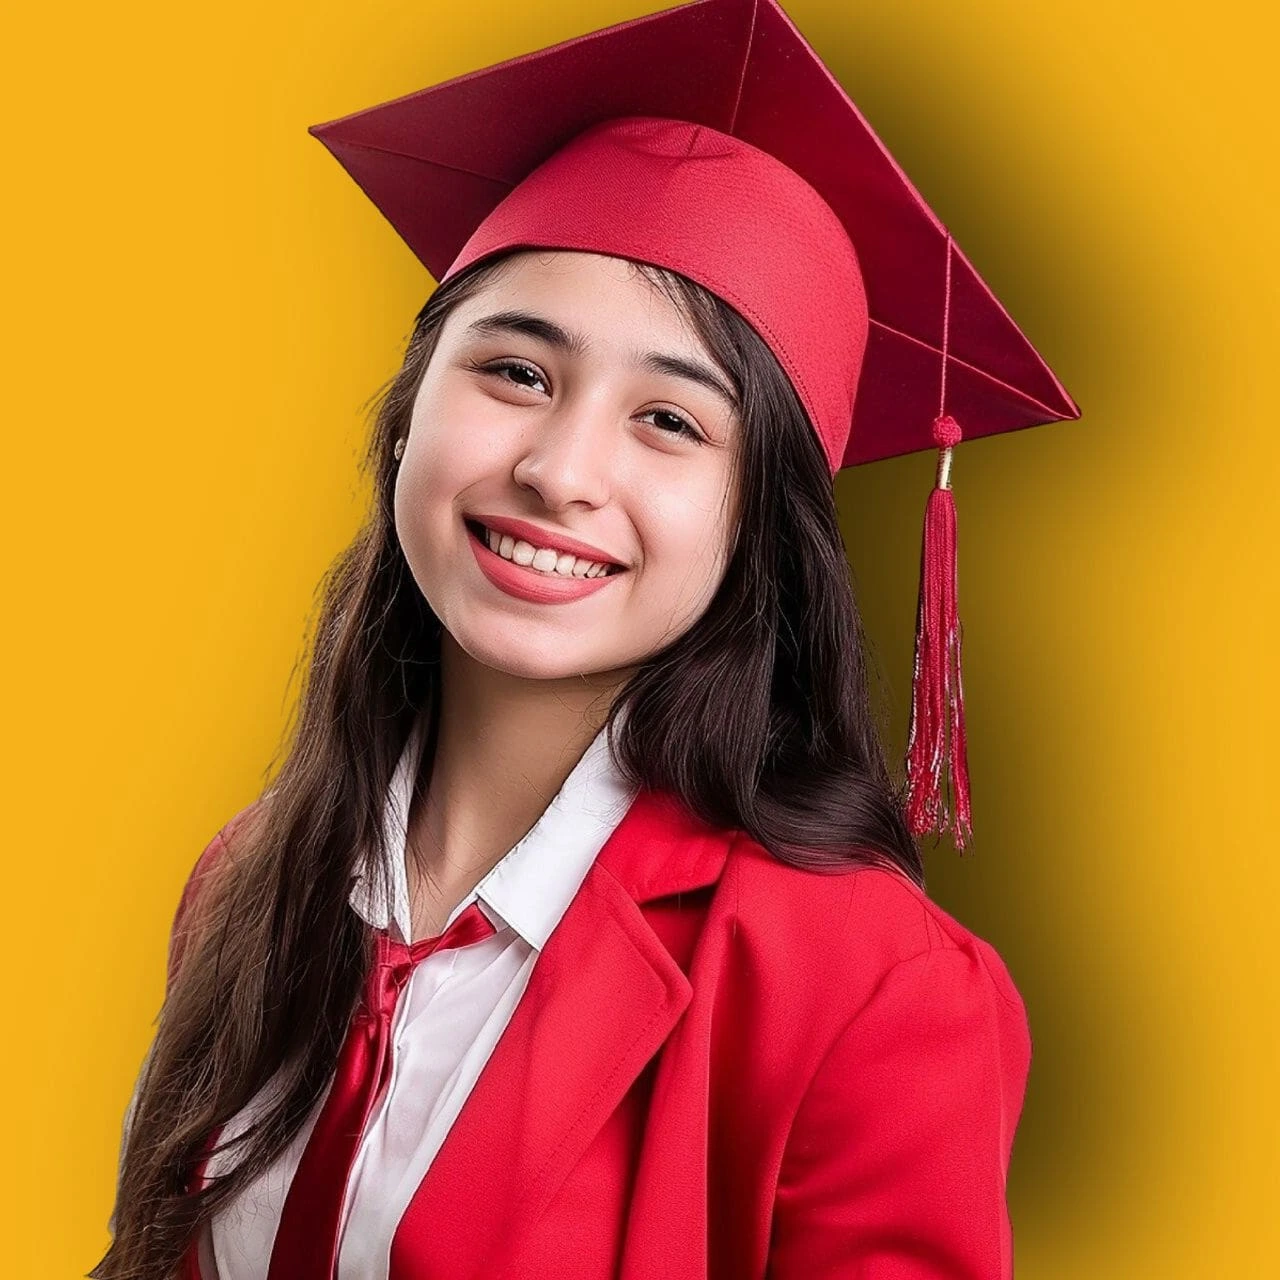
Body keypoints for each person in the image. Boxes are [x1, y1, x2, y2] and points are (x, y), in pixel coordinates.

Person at [93, 1, 1078, 1277]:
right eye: (514, 372)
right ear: (405, 419)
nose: (561, 470)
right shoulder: (250, 880)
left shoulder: (863, 987)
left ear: (757, 527)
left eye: (669, 421)